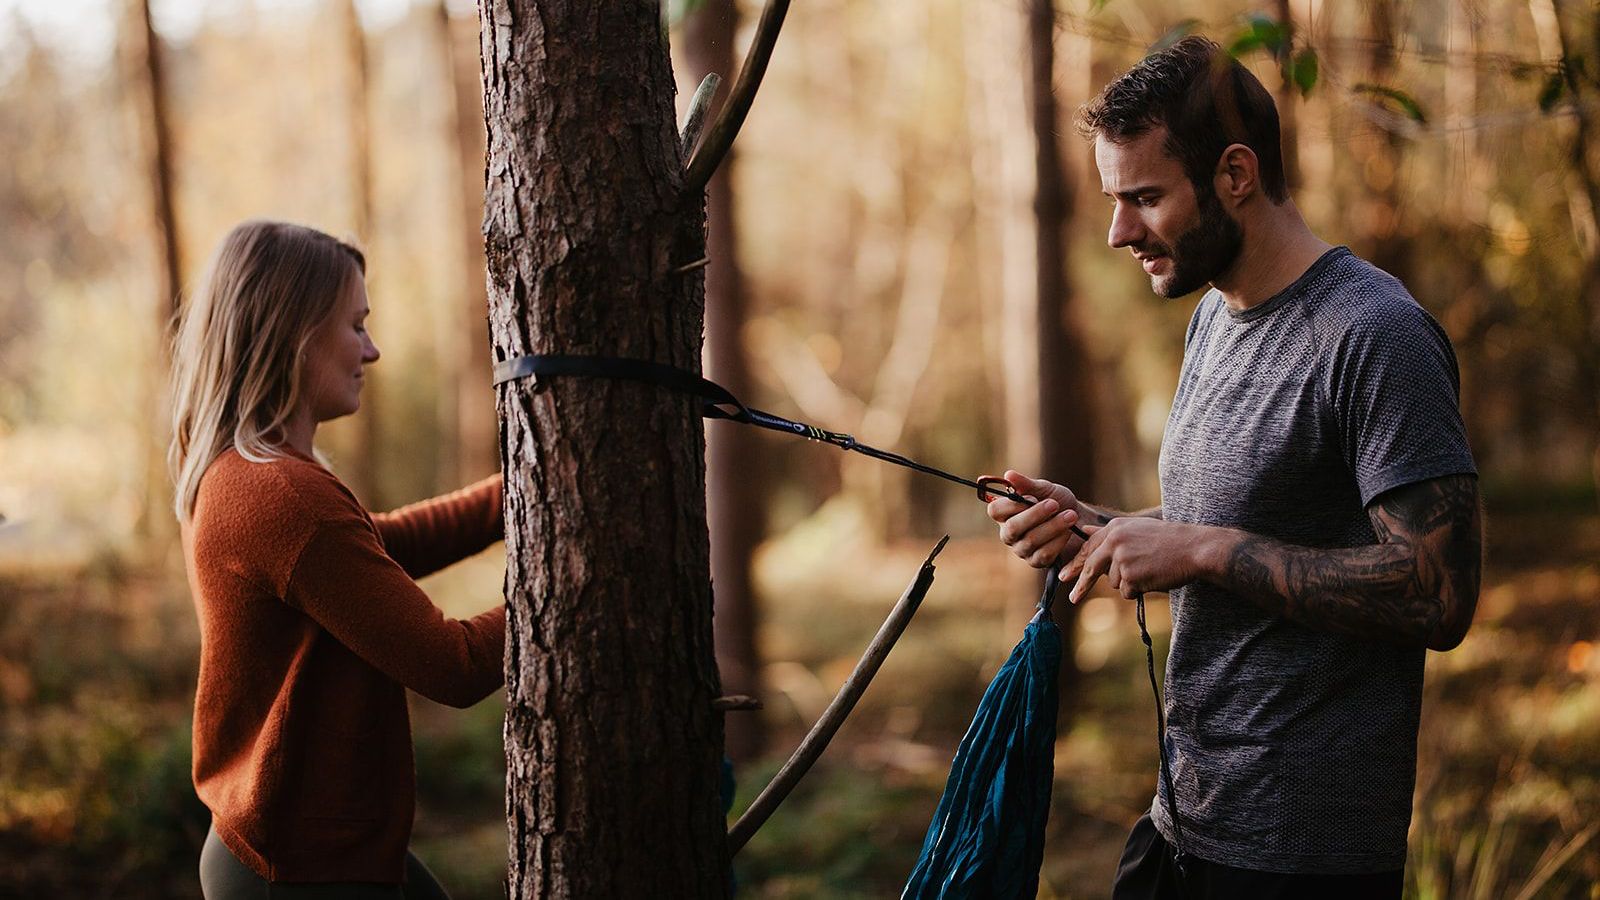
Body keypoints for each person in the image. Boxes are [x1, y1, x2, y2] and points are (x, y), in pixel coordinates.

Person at [986, 37, 1481, 899]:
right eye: (1115, 200)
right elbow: (1233, 521)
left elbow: (1438, 593)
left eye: (1144, 198)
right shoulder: (1213, 320)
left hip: (1301, 857)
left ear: (1236, 175)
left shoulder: (1375, 334)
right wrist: (1097, 528)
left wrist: (1207, 552)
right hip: (1184, 821)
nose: (1118, 232)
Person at [169, 220, 506, 899]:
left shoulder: (245, 477)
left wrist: (530, 486)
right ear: (296, 337)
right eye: (356, 326)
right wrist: (572, 593)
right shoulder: (284, 498)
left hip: (294, 848)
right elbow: (455, 664)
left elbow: (373, 550)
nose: (372, 350)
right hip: (293, 869)